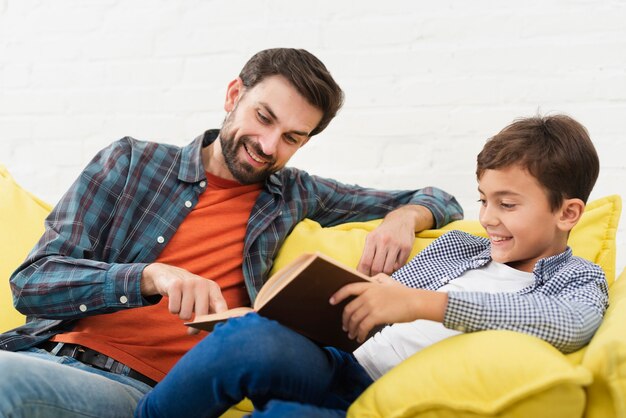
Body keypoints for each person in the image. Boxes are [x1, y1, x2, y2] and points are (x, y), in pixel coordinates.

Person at [0, 48, 463, 417]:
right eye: (264, 118)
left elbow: (438, 198)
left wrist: (406, 218)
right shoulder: (130, 163)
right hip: (45, 353)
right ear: (233, 95)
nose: (268, 146)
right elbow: (33, 282)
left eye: (292, 138)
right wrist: (150, 276)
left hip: (139, 390)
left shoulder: (296, 193)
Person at [133, 114, 609, 418]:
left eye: (507, 204)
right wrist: (365, 293)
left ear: (567, 213)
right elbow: (384, 302)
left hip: (387, 400)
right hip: (346, 365)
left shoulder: (577, 279)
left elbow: (566, 325)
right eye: (484, 200)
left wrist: (419, 303)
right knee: (246, 337)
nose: (487, 218)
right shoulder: (459, 248)